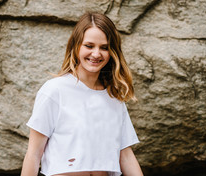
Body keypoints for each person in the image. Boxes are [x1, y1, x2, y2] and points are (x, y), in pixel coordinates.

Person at [21, 12, 143, 176]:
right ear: (76, 46)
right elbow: (34, 155)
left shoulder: (114, 98)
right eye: (89, 46)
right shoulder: (54, 90)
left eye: (104, 47)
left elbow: (126, 156)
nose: (96, 54)